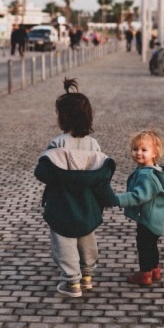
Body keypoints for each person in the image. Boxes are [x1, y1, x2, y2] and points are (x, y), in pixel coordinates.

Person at [34, 78, 117, 298]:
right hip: (87, 201)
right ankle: (87, 275)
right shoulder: (93, 144)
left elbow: (43, 172)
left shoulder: (58, 143)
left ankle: (71, 282)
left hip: (63, 201)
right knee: (86, 236)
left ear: (63, 118)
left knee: (64, 240)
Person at [114, 129, 164, 286]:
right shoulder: (151, 170)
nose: (138, 153)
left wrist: (117, 199)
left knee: (144, 246)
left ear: (154, 153)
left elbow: (138, 196)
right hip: (154, 216)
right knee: (151, 245)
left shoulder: (146, 175)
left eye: (144, 150)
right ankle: (155, 270)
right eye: (135, 149)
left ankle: (145, 274)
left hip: (148, 218)